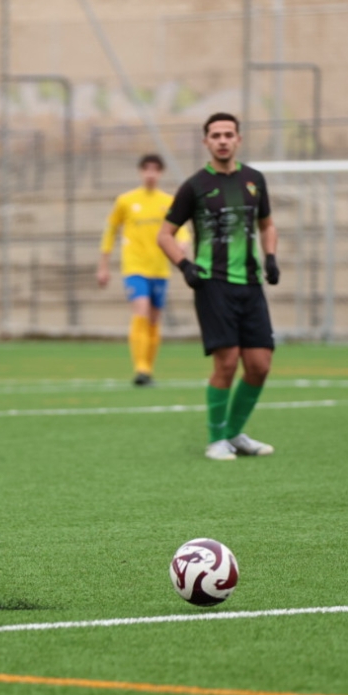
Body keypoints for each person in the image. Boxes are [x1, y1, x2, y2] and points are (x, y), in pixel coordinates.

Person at [156, 112, 279, 461]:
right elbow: (164, 234)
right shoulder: (194, 186)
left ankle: (235, 433)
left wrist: (270, 257)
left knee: (260, 364)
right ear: (206, 142)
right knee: (226, 363)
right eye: (215, 135)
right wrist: (184, 265)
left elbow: (268, 225)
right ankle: (215, 440)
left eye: (228, 134)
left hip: (251, 285)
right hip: (214, 285)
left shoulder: (255, 180)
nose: (222, 140)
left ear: (238, 139)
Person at [97, 153, 185, 386]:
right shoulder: (125, 201)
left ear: (161, 173)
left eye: (155, 169)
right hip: (134, 268)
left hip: (160, 269)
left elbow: (182, 229)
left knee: (154, 320)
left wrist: (183, 243)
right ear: (140, 172)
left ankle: (148, 369)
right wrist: (103, 265)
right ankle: (141, 368)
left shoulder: (168, 202)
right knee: (141, 311)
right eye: (146, 169)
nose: (150, 174)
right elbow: (110, 231)